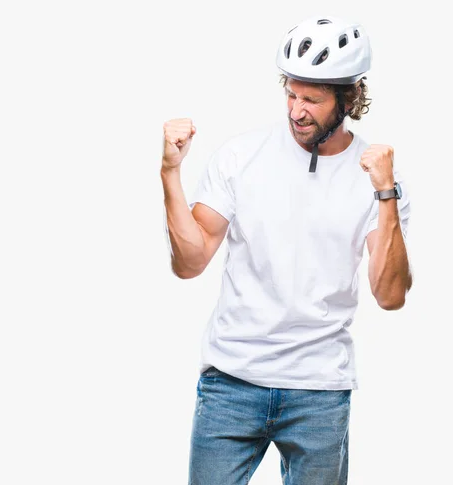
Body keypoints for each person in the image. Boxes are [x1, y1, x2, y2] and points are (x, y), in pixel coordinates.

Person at [160, 15, 412, 485]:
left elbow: (391, 295)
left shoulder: (373, 179)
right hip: (231, 383)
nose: (297, 110)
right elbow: (189, 263)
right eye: (291, 94)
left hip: (319, 389)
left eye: (312, 100)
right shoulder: (241, 157)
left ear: (349, 99)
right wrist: (170, 174)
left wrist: (386, 195)